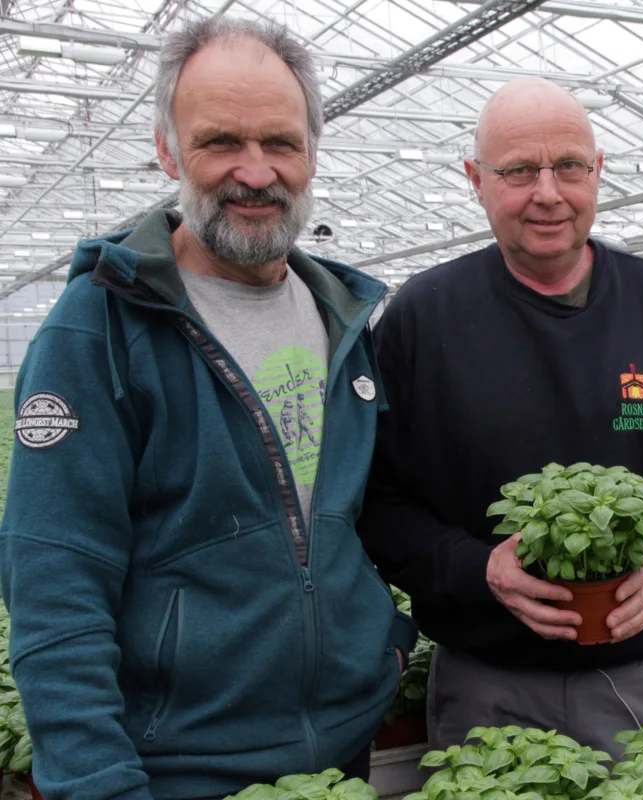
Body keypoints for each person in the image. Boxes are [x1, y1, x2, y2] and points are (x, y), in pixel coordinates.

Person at [0, 16, 415, 799]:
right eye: (222, 141)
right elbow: (56, 590)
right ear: (168, 150)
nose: (255, 173)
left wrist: (388, 641)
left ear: (312, 156)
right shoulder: (101, 328)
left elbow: (373, 517)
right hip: (183, 772)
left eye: (280, 144)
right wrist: (98, 785)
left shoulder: (345, 320)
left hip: (349, 749)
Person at [357, 77, 643, 758]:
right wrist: (478, 569)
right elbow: (374, 503)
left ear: (597, 172)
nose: (547, 193)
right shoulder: (419, 319)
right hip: (483, 686)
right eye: (519, 170)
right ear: (477, 180)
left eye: (569, 167)